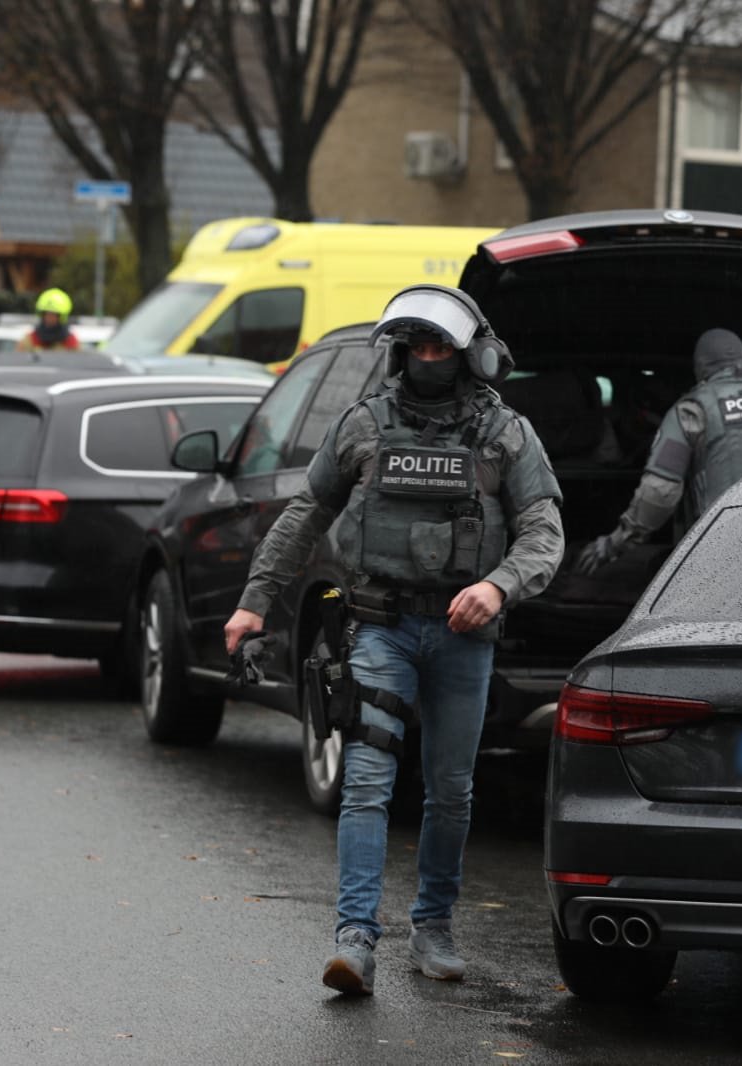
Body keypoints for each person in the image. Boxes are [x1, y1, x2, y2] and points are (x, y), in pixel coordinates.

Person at [222, 284, 564, 997]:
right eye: (416, 346)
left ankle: (433, 926)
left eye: (440, 345)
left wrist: (498, 585)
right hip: (379, 628)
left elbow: (543, 532)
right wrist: (254, 603)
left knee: (450, 791)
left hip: (463, 636)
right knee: (366, 782)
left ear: (472, 354)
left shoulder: (504, 434)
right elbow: (306, 513)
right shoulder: (363, 424)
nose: (427, 358)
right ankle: (354, 940)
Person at [575, 327, 742, 575]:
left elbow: (660, 492)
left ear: (700, 367)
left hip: (725, 562)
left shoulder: (692, 411)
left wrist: (614, 543)